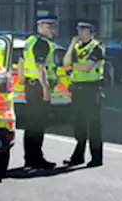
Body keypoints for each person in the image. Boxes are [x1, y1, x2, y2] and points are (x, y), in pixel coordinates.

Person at [63, 20, 106, 167]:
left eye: (83, 30)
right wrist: (70, 46)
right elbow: (65, 62)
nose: (80, 33)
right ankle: (78, 157)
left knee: (94, 125)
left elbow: (87, 67)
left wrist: (72, 66)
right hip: (77, 89)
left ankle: (96, 158)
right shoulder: (76, 47)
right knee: (79, 124)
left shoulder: (97, 47)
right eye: (79, 30)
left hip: (92, 90)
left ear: (91, 33)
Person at [20, 15, 59, 170]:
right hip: (38, 87)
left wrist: (22, 78)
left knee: (32, 125)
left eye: (53, 27)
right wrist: (45, 89)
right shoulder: (42, 43)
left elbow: (22, 60)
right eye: (49, 26)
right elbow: (40, 67)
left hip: (31, 86)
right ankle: (35, 160)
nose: (52, 30)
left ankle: (31, 159)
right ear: (40, 27)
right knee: (37, 126)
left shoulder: (30, 40)